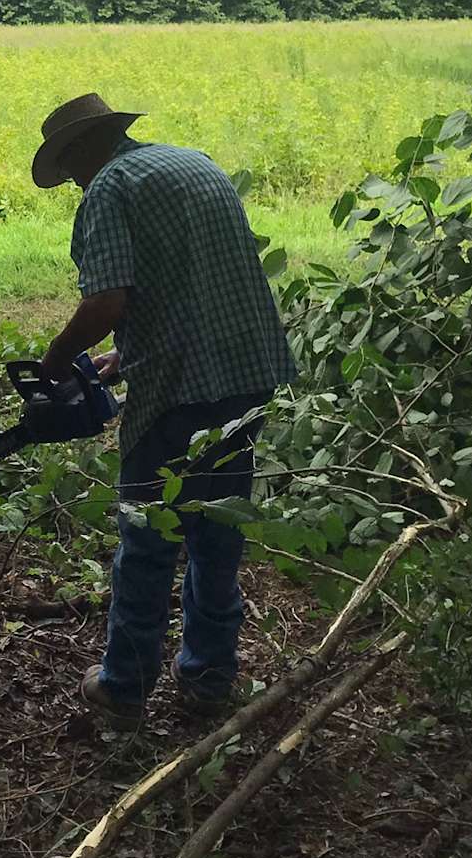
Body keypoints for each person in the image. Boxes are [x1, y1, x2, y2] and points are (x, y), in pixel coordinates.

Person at [32, 93, 296, 722]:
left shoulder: (108, 189)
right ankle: (209, 677)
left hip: (179, 388)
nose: (72, 181)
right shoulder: (192, 163)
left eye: (69, 168)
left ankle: (123, 686)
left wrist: (53, 360)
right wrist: (124, 357)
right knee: (217, 528)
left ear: (76, 155)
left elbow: (106, 304)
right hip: (247, 370)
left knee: (148, 536)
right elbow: (195, 281)